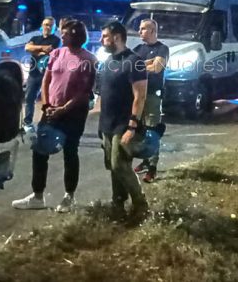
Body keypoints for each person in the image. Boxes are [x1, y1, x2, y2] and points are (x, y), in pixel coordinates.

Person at [12, 19, 96, 212]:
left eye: (65, 33)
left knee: (70, 152)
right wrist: (47, 104)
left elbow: (84, 92)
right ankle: (37, 195)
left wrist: (64, 109)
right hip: (50, 111)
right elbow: (47, 79)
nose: (62, 36)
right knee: (40, 149)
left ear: (75, 35)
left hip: (73, 114)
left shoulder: (87, 59)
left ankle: (69, 196)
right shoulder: (57, 53)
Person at [98, 21, 149, 218]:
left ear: (117, 37)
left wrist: (132, 126)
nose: (102, 40)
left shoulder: (134, 61)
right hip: (107, 124)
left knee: (120, 164)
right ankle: (117, 203)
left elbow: (140, 96)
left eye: (105, 36)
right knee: (112, 166)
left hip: (124, 124)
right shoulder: (108, 61)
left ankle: (140, 204)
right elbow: (104, 94)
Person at [132, 19, 169, 183]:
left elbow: (157, 68)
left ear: (153, 30)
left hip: (153, 95)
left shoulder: (162, 48)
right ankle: (145, 160)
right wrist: (145, 64)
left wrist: (140, 65)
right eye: (139, 29)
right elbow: (128, 65)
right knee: (139, 130)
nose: (140, 32)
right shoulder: (138, 49)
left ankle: (152, 168)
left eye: (143, 29)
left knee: (152, 131)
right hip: (137, 96)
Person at [23, 17, 60, 134]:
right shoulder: (35, 38)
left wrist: (35, 49)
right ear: (42, 25)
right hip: (33, 74)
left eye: (50, 25)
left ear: (54, 28)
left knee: (47, 100)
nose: (47, 27)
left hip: (47, 75)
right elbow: (27, 47)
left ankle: (46, 124)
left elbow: (50, 51)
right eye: (45, 24)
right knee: (29, 98)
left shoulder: (56, 40)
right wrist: (42, 48)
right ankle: (27, 122)